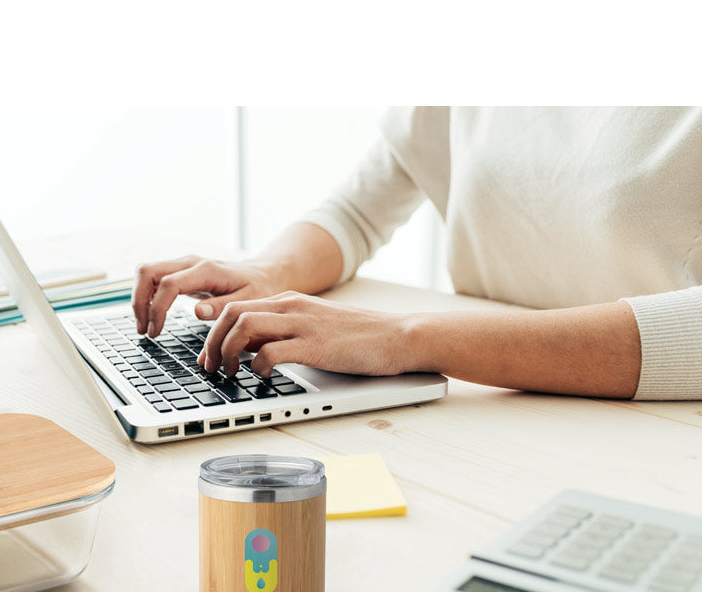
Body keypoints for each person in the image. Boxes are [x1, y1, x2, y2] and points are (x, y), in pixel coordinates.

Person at [132, 107, 702, 401]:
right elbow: (357, 211)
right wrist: (267, 272)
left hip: (659, 433)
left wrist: (408, 337)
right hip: (494, 406)